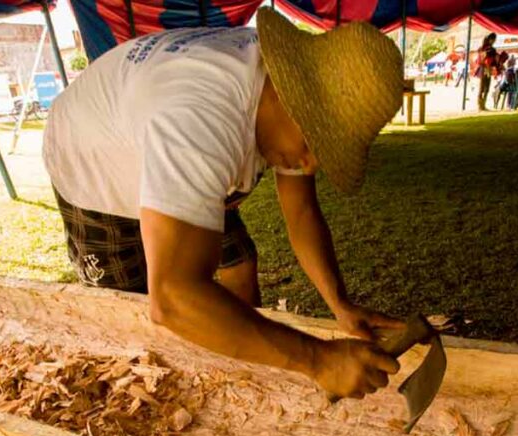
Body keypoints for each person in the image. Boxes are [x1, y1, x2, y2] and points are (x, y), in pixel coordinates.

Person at [42, 9, 405, 401]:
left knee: (239, 264)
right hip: (94, 166)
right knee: (134, 326)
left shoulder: (285, 93)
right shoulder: (200, 120)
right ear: (288, 96)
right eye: (318, 144)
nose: (310, 165)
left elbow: (300, 211)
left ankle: (241, 376)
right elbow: (173, 299)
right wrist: (318, 360)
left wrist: (340, 304)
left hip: (173, 144)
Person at [476, 33, 499, 111]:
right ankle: (481, 106)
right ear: (491, 39)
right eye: (494, 39)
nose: (494, 41)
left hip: (484, 69)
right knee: (484, 88)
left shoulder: (482, 48)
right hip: (485, 69)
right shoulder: (489, 49)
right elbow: (490, 60)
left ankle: (481, 105)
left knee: (484, 88)